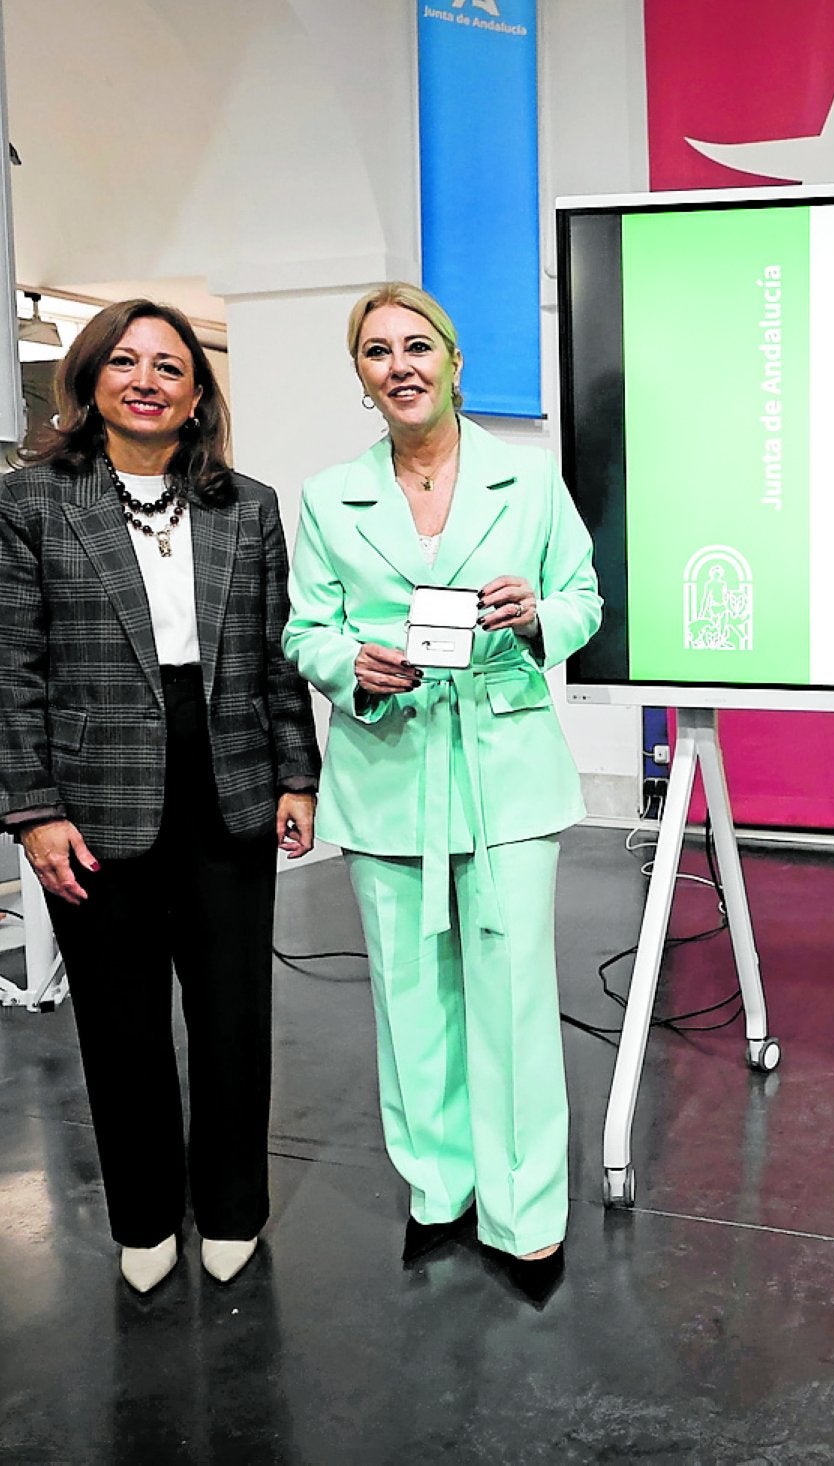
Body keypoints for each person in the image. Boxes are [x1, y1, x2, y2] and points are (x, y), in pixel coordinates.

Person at [283, 283, 602, 1304]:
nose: (400, 364)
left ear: (456, 361)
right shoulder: (330, 497)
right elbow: (305, 629)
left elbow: (586, 599)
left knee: (511, 993)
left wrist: (535, 615)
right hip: (388, 766)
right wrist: (351, 666)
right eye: (377, 351)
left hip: (503, 764)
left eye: (417, 345)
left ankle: (527, 1213)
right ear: (363, 377)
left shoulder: (528, 480)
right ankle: (438, 1191)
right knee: (411, 996)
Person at [0, 300, 322, 1293]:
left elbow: (275, 654)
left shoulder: (248, 503)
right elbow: (13, 665)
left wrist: (297, 772)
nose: (148, 378)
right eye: (127, 361)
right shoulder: (33, 502)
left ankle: (232, 1207)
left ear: (196, 393)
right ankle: (144, 1217)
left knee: (234, 1009)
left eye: (170, 365)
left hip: (227, 776)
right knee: (119, 1017)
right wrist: (33, 807)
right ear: (90, 379)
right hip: (93, 793)